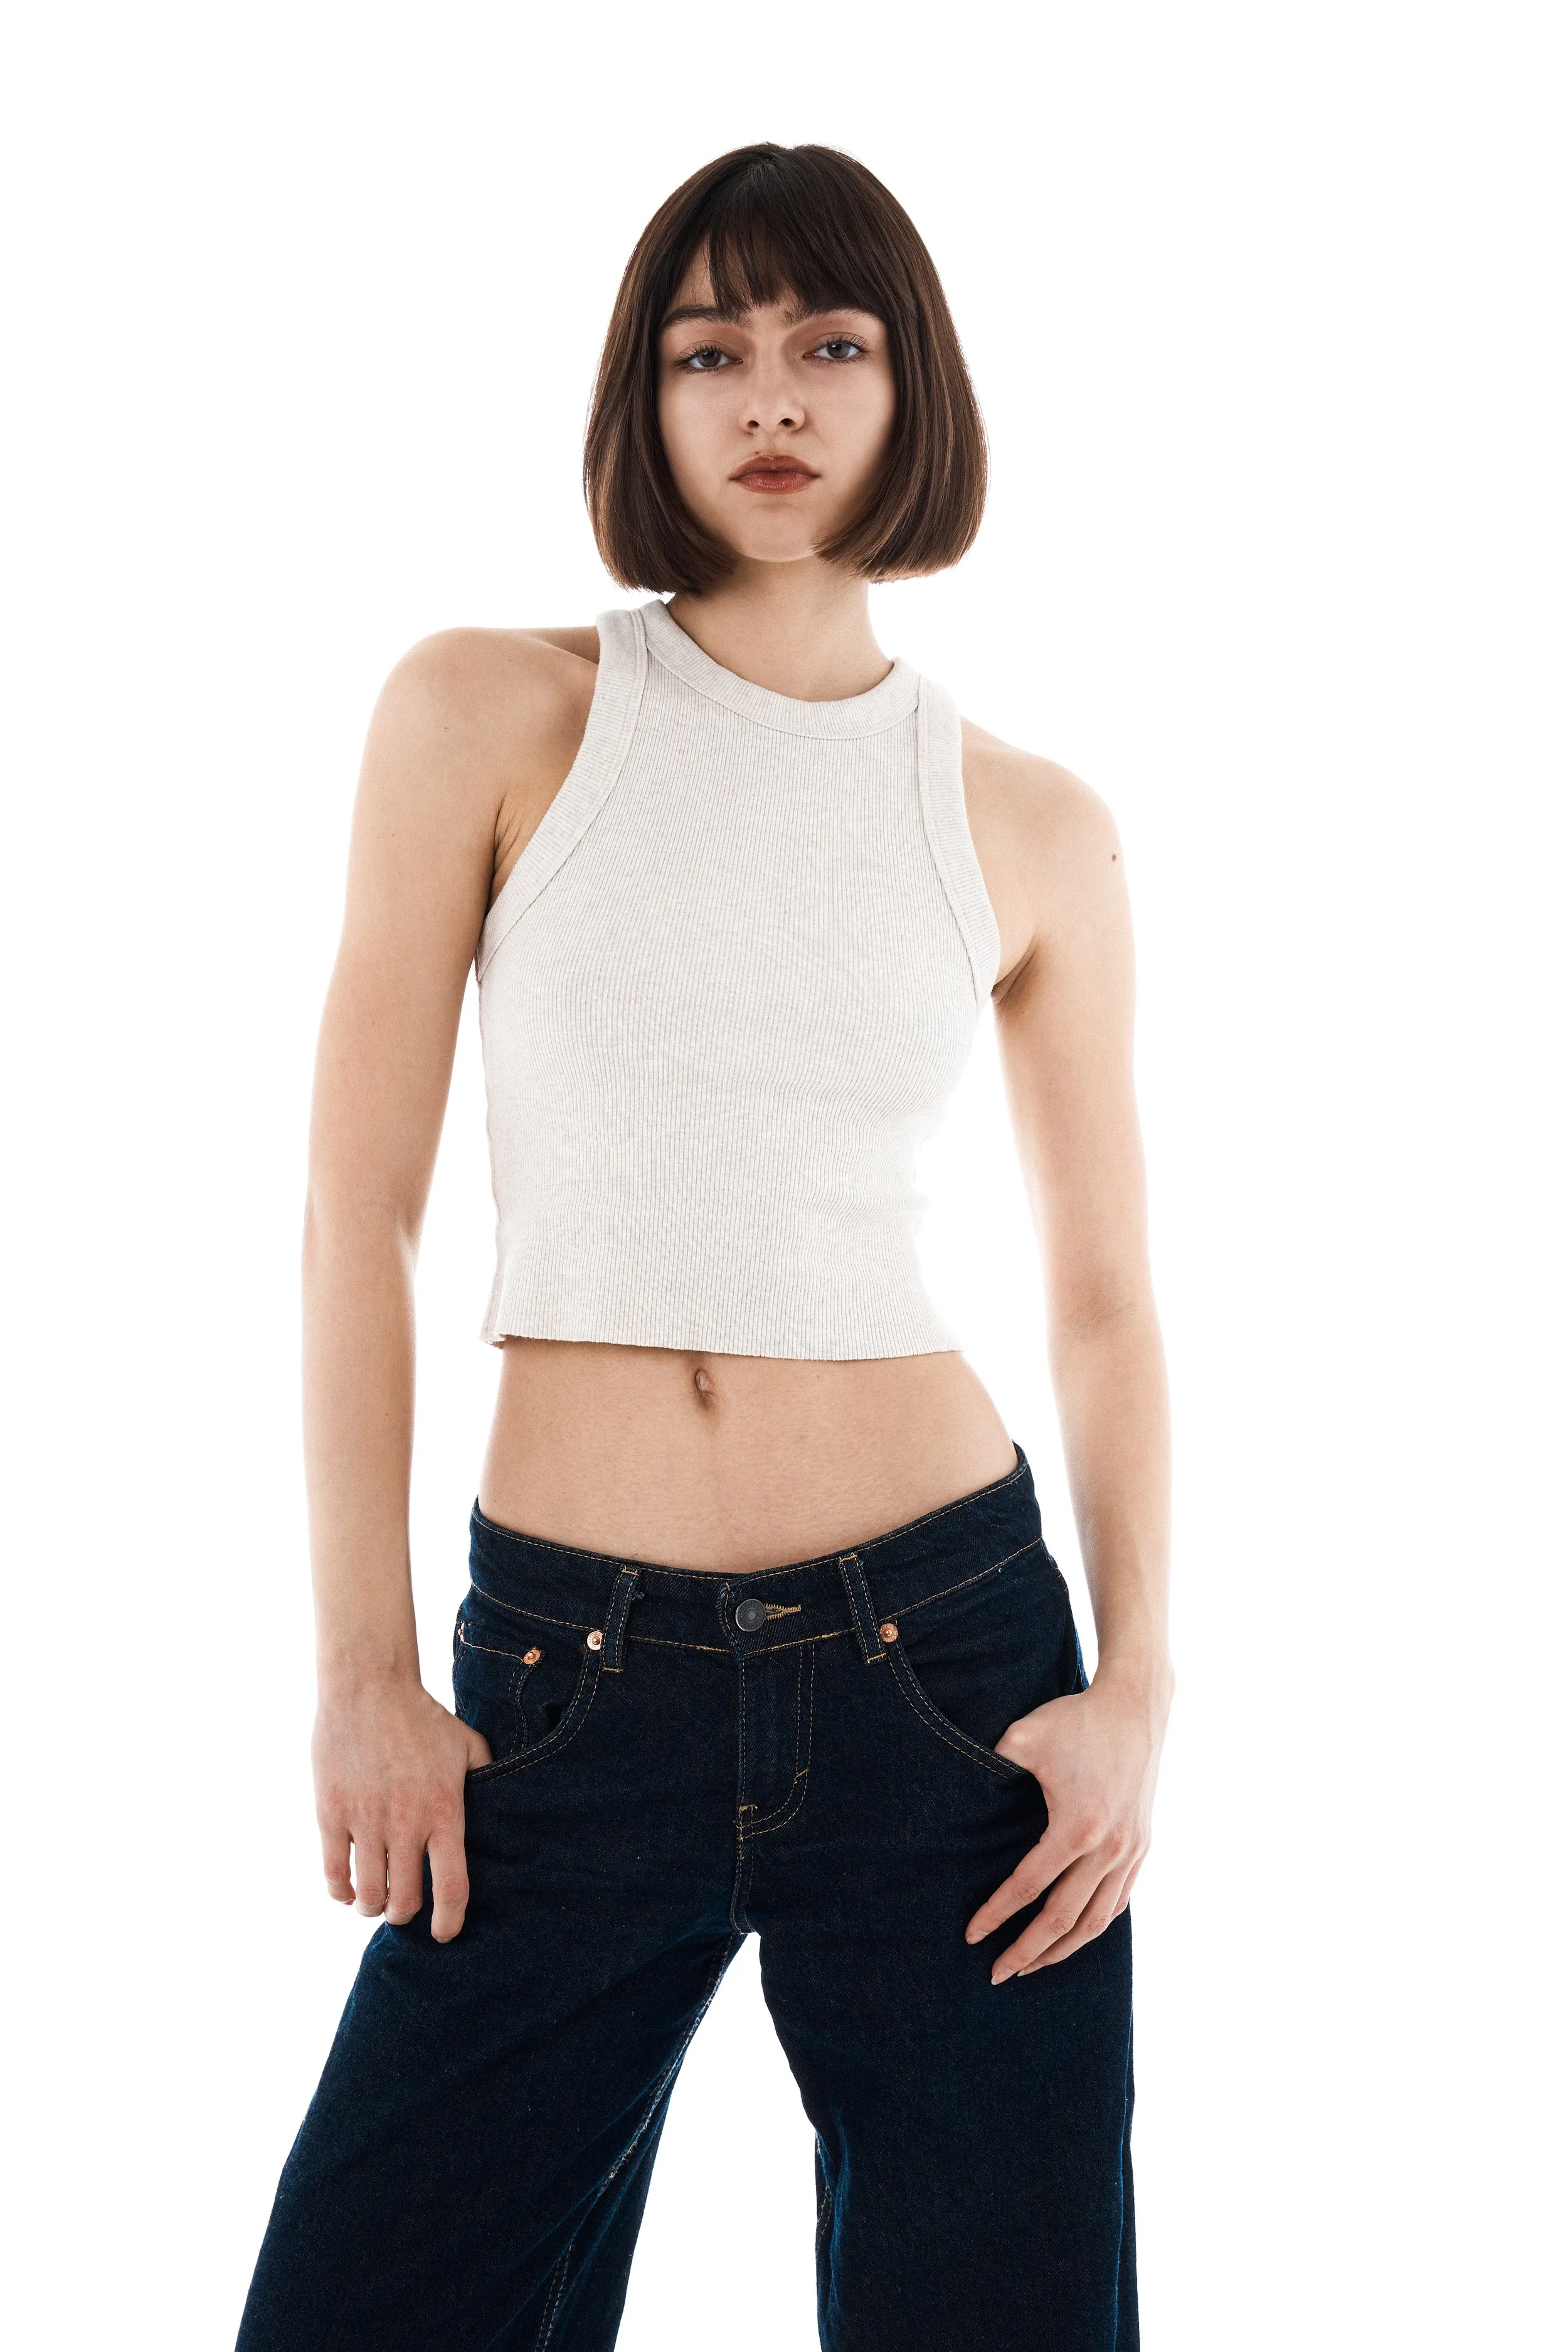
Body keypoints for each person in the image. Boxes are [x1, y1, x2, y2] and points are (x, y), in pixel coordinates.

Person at [236, 142, 1172, 2352]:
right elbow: (351, 1210)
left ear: (906, 387)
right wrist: (367, 1662)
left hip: (947, 1672)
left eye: (829, 345)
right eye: (709, 350)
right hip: (565, 1693)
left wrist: (1132, 1689)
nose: (771, 397)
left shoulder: (1028, 821)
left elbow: (1109, 1293)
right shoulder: (489, 709)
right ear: (641, 404)